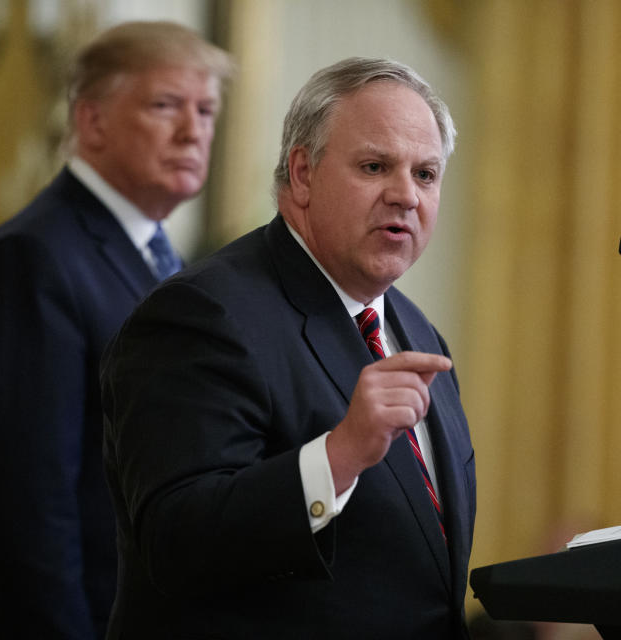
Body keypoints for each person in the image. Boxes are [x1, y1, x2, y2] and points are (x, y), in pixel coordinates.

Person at [99, 57, 475, 639]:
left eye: (426, 174)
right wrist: (339, 455)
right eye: (376, 166)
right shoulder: (203, 315)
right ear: (302, 173)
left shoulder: (418, 333)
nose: (405, 194)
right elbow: (175, 544)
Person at [0, 21, 232, 639]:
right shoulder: (33, 259)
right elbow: (28, 511)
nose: (193, 131)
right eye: (165, 105)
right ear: (92, 122)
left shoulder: (160, 257)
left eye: (206, 109)